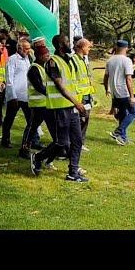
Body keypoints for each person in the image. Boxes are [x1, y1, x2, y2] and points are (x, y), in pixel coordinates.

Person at [30, 34, 88, 182]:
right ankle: (38, 157)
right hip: (58, 108)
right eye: (67, 41)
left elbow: (73, 83)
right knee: (61, 142)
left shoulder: (69, 60)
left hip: (71, 107)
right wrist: (77, 102)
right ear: (61, 45)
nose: (70, 44)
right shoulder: (52, 63)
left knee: (77, 140)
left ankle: (73, 172)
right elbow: (60, 86)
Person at [20, 44, 57, 161]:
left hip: (46, 104)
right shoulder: (34, 69)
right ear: (40, 56)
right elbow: (38, 86)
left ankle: (58, 147)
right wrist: (51, 93)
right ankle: (24, 148)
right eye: (46, 55)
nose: (48, 57)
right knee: (32, 127)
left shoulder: (45, 67)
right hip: (37, 105)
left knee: (53, 127)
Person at [104, 40, 135, 145]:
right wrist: (132, 96)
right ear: (126, 48)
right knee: (134, 112)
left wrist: (107, 89)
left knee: (123, 114)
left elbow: (105, 77)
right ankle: (118, 131)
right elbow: (129, 79)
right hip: (124, 92)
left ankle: (123, 138)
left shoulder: (110, 60)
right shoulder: (126, 60)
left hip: (115, 93)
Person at [1, 38, 33, 148]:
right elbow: (9, 79)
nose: (29, 51)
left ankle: (27, 142)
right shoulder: (12, 59)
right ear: (20, 48)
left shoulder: (27, 59)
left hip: (26, 95)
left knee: (31, 120)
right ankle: (5, 139)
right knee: (9, 118)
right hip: (15, 95)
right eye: (27, 49)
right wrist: (12, 96)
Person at [72, 38, 96, 151]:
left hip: (86, 96)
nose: (89, 49)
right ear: (81, 47)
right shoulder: (74, 60)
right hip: (79, 97)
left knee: (85, 119)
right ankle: (76, 143)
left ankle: (80, 143)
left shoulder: (83, 60)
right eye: (88, 47)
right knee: (79, 121)